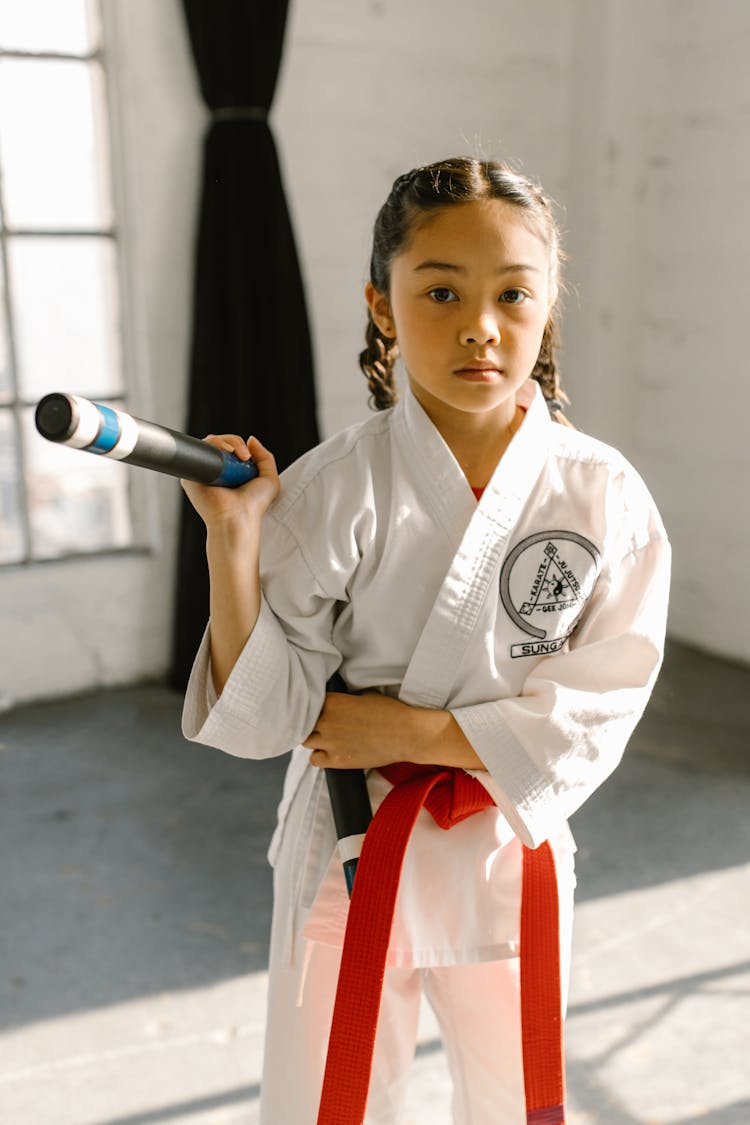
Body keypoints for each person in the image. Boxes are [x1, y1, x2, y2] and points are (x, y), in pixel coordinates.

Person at [181, 157, 671, 1125]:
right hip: (349, 841)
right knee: (331, 1101)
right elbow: (269, 714)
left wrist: (403, 733)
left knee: (509, 1102)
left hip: (502, 839)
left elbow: (599, 704)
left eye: (511, 294)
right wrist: (232, 546)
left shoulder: (600, 495)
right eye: (440, 289)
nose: (479, 325)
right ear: (383, 303)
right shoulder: (332, 490)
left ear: (547, 305)